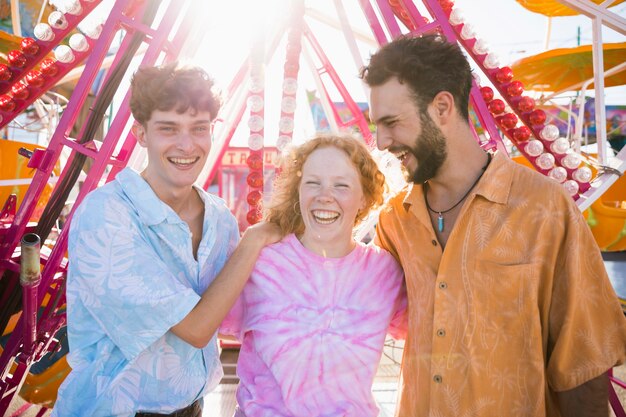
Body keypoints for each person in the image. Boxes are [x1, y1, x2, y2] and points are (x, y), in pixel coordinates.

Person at [361, 34, 626, 417]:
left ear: (442, 107)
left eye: (392, 123)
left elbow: (583, 365)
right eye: (376, 125)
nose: (382, 141)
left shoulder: (543, 208)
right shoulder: (394, 220)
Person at [52, 63, 279, 417]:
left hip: (191, 406)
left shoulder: (219, 218)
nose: (186, 145)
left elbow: (242, 309)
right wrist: (255, 241)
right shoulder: (107, 216)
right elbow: (197, 328)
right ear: (141, 133)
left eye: (198, 128)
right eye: (168, 129)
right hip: (113, 409)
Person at [220, 135, 408, 417]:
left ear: (364, 199)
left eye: (341, 185)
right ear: (298, 191)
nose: (325, 196)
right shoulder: (262, 262)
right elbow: (208, 323)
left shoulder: (385, 272)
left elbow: (429, 331)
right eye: (313, 182)